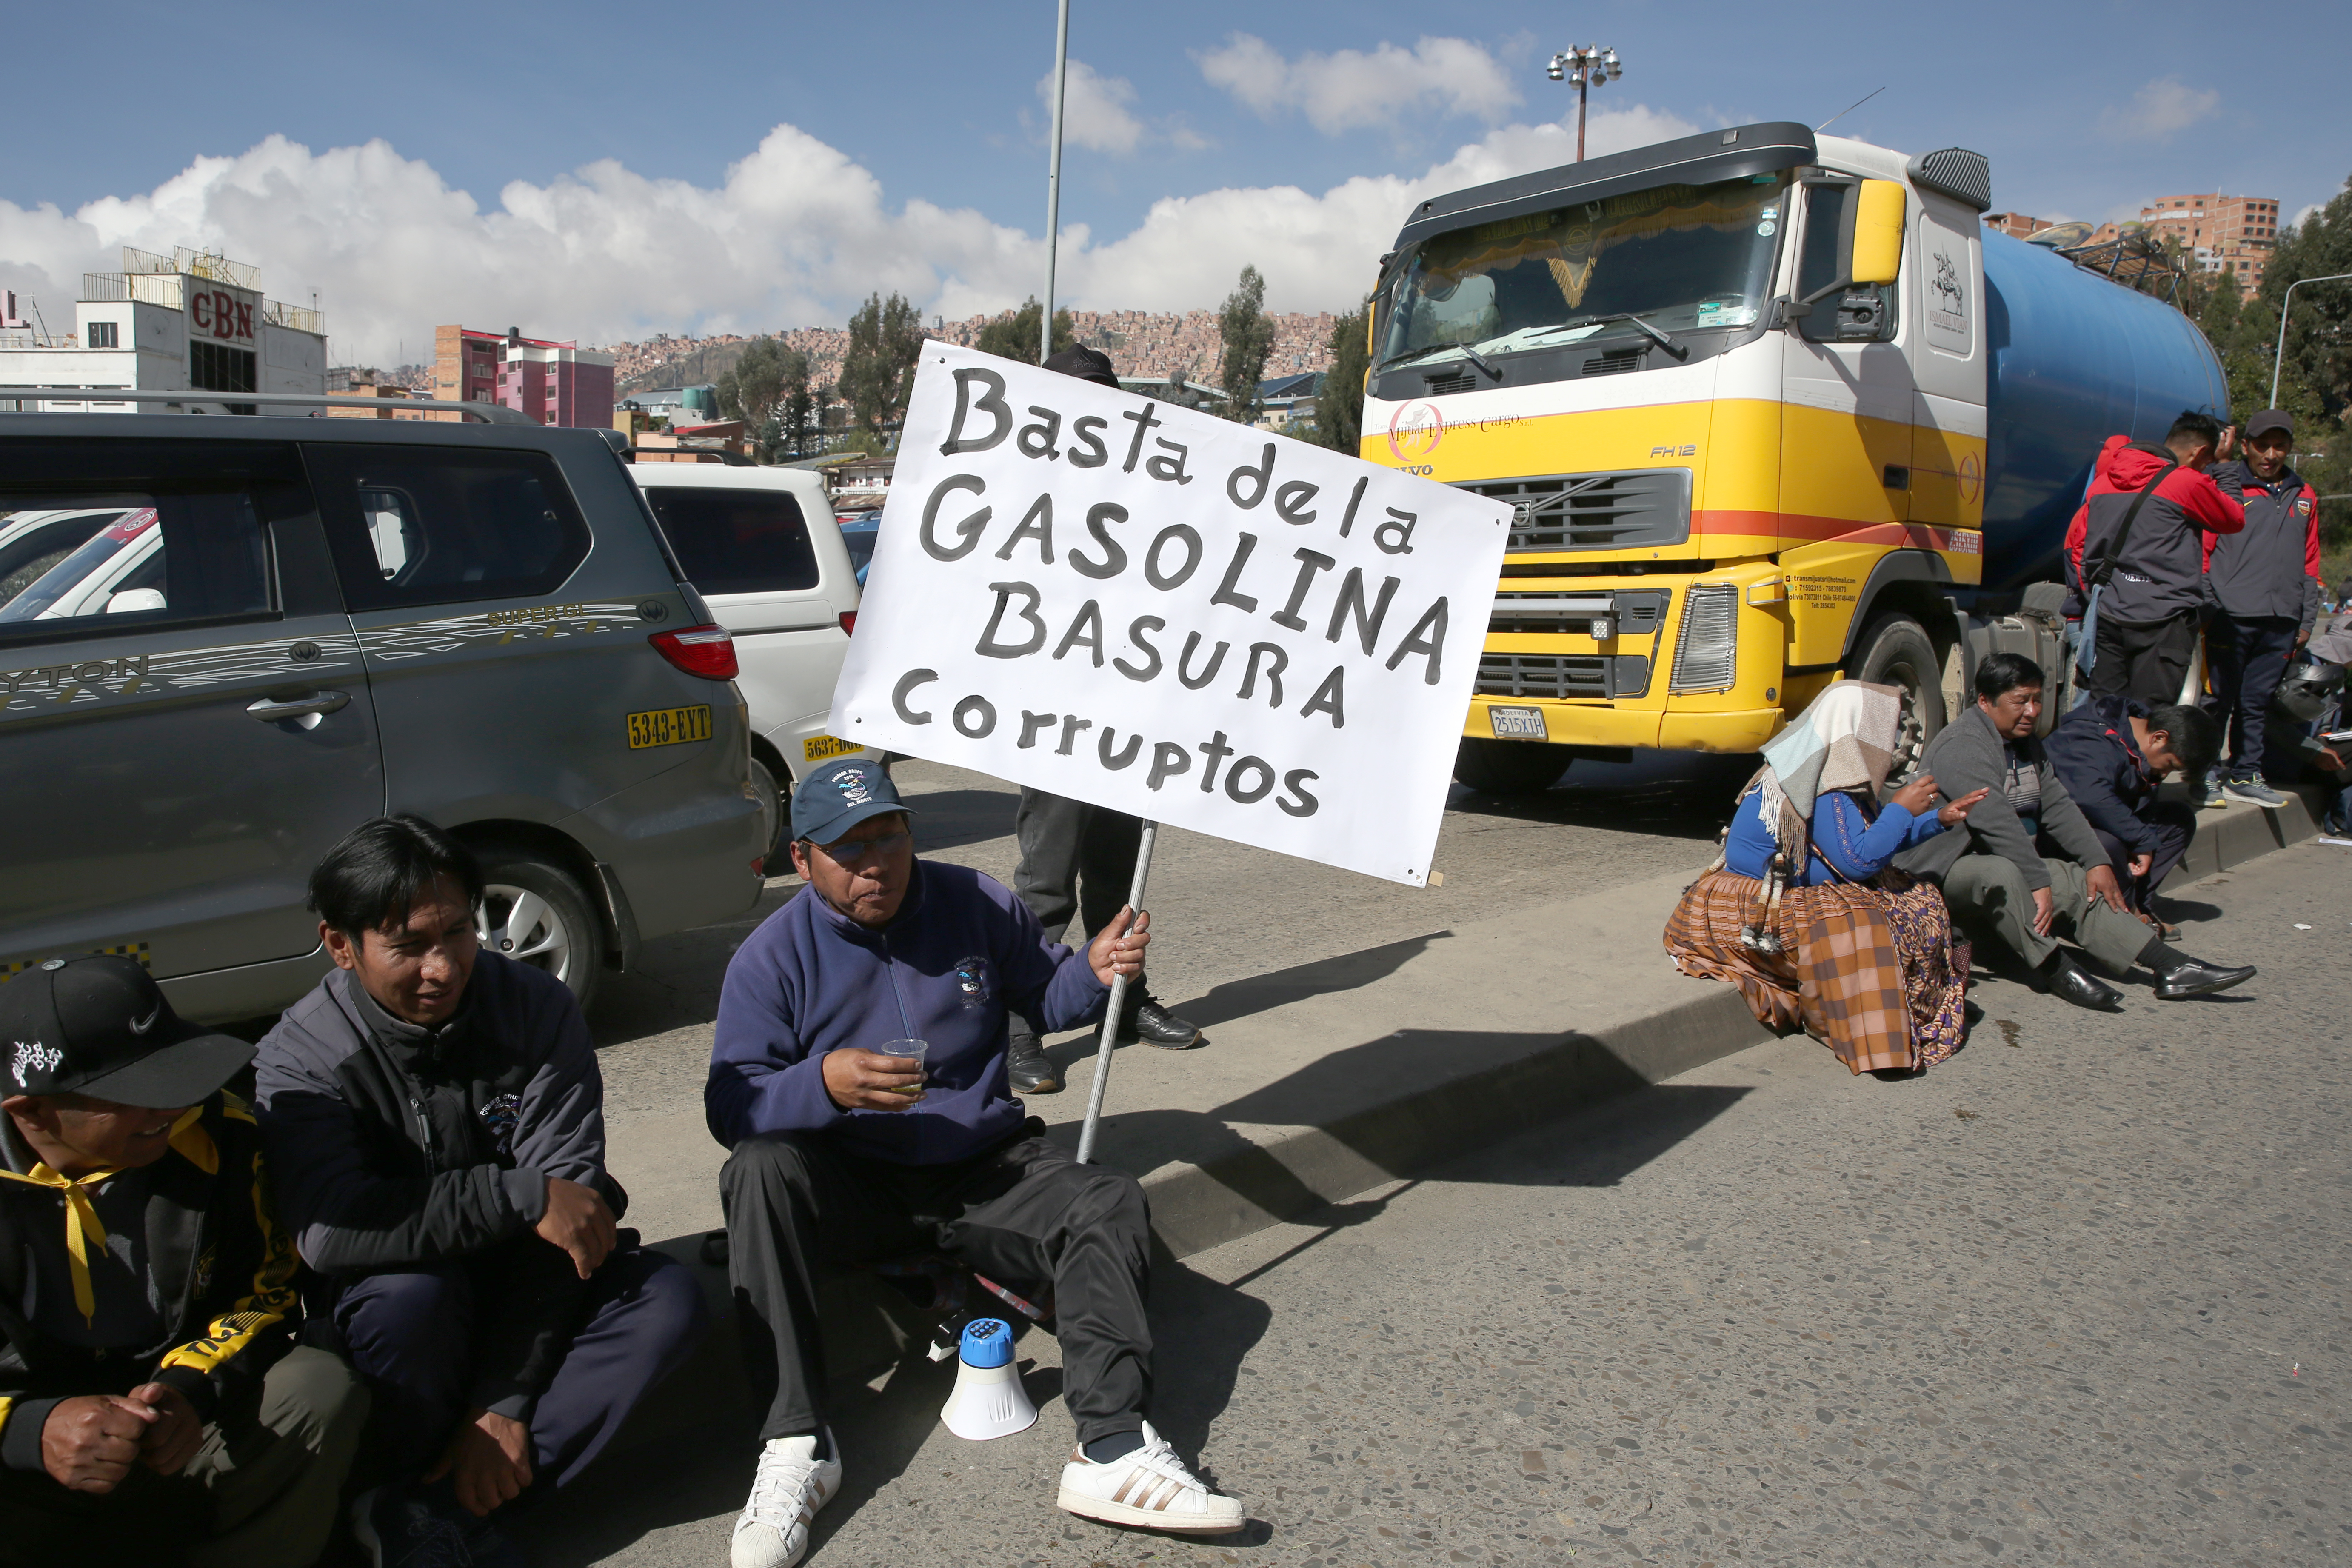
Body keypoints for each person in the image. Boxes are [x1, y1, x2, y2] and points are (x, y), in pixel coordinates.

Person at [707, 757, 1242, 1568]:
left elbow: (1050, 995)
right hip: (855, 1179)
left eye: (888, 837)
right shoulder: (770, 956)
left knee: (1107, 1201)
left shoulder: (973, 901)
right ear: (801, 859)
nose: (873, 863)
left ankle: (1112, 1448)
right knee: (756, 1170)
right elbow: (730, 1105)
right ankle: (796, 1447)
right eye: (846, 849)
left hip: (981, 1169)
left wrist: (1094, 976)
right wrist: (823, 1083)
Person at [255, 817, 706, 1568]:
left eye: (459, 933)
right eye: (408, 946)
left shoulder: (535, 1008)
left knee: (666, 1299)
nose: (442, 967)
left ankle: (433, 1513)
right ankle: (401, 1486)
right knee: (411, 1298)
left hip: (524, 1287)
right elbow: (331, 1232)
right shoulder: (303, 1058)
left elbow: (573, 1205)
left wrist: (503, 1402)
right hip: (401, 1316)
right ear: (341, 946)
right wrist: (516, 1195)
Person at [0, 955, 367, 1568]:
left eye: (175, 1074)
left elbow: (267, 1296)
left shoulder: (226, 1135)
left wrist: (187, 1391)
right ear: (31, 1112)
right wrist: (31, 1431)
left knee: (317, 1388)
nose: (171, 1106)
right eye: (134, 1092)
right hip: (26, 1476)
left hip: (177, 1439)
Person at [1000, 343, 1201, 1096]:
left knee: (1120, 877)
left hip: (1131, 715)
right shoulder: (1025, 491)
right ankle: (1016, 1024)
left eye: (1106, 400)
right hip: (1055, 715)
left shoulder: (1154, 493)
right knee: (1044, 883)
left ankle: (1121, 1004)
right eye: (1081, 400)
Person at [1893, 654, 2255, 1009]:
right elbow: (1996, 820)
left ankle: (2171, 966)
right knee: (2003, 873)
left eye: (2037, 699)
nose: (2033, 711)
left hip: (1991, 857)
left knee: (2079, 879)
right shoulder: (1965, 744)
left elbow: (2058, 805)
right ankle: (2056, 968)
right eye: (2021, 701)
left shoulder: (2026, 744)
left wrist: (2096, 861)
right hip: (1937, 869)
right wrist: (2037, 880)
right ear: (1985, 702)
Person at [1665, 682, 1985, 1074]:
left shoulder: (1827, 770)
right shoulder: (1824, 783)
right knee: (1863, 924)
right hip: (1752, 907)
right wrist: (1901, 809)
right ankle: (1878, 1036)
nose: (1894, 737)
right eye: (1886, 727)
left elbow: (1870, 840)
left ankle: (1913, 1007)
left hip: (1786, 895)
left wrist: (1937, 819)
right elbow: (1857, 860)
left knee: (1918, 897)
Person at [2063, 411, 2246, 704]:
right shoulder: (2186, 483)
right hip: (2164, 620)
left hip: (2110, 613)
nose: (2205, 470)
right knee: (2150, 719)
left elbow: (2082, 550)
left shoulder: (2102, 484)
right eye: (2207, 462)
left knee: (2104, 714)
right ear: (2198, 452)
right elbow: (2234, 518)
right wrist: (2225, 464)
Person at [2199, 409, 2324, 808]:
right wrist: (2210, 603)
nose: (2271, 454)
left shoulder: (2304, 494)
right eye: (2262, 445)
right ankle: (2204, 771)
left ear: (2289, 447)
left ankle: (2245, 772)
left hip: (2282, 618)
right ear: (2246, 446)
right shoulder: (2226, 483)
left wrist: (2305, 618)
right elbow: (2204, 550)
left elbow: (2311, 562)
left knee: (2257, 701)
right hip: (2230, 615)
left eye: (2280, 445)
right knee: (2217, 699)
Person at [2043, 694, 2218, 937]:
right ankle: (2124, 917)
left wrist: (2143, 835)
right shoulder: (2091, 737)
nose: (2166, 775)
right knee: (2110, 841)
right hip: (2053, 831)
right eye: (2169, 765)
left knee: (2179, 820)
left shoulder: (2139, 742)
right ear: (2159, 738)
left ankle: (2139, 905)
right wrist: (2140, 840)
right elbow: (2090, 797)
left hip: (2099, 818)